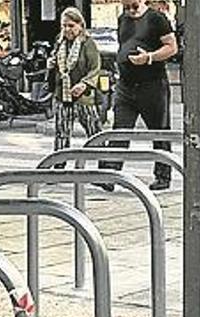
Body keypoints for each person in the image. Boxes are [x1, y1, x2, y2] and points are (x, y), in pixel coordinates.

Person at [98, 0, 178, 191]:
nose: (131, 11)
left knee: (159, 131)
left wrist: (149, 57)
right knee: (119, 130)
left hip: (152, 84)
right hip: (126, 85)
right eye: (127, 7)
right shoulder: (122, 19)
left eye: (134, 6)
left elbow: (171, 47)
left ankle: (163, 176)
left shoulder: (156, 19)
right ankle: (110, 175)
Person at [49, 8, 103, 164]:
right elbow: (55, 61)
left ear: (80, 25)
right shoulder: (60, 41)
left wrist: (84, 84)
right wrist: (51, 64)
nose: (67, 30)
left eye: (71, 26)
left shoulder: (88, 43)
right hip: (63, 95)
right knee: (61, 134)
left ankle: (104, 168)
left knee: (94, 132)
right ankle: (58, 168)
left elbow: (95, 68)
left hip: (83, 97)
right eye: (64, 26)